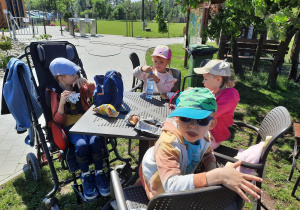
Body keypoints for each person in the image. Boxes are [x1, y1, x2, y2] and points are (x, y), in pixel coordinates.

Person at [139, 88, 262, 203]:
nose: (193, 125)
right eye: (185, 118)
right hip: (158, 183)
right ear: (176, 118)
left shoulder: (204, 136)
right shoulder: (169, 144)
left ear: (212, 124)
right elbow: (171, 185)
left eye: (202, 120)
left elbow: (207, 152)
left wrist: (212, 168)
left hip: (178, 176)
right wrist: (215, 176)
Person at [47, 57, 110, 200]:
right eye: (74, 74)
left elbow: (94, 93)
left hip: (86, 122)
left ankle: (99, 172)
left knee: (95, 141)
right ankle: (86, 175)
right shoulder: (54, 92)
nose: (77, 76)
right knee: (81, 145)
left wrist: (86, 82)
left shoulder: (78, 85)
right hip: (70, 127)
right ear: (61, 78)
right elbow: (57, 120)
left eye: (77, 73)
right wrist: (62, 103)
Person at [194, 59, 240, 149]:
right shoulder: (217, 91)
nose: (203, 82)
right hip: (205, 130)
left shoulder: (230, 95)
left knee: (187, 145)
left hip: (213, 137)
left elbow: (211, 113)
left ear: (218, 79)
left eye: (206, 79)